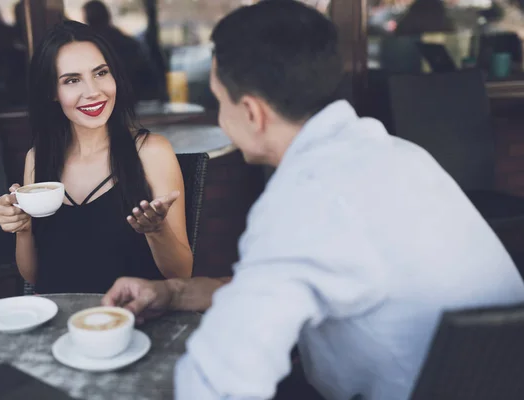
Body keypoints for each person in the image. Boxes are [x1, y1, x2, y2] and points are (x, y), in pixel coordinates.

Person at [102, 1, 524, 399]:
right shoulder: (397, 154)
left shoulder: (305, 201)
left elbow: (221, 383)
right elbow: (278, 282)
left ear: (252, 112)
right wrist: (175, 293)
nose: (219, 117)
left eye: (219, 101)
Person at [0, 21, 193, 294]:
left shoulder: (151, 152)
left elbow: (182, 272)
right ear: (52, 92)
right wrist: (23, 229)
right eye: (72, 80)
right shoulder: (37, 159)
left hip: (134, 321)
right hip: (63, 323)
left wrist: (157, 231)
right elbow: (36, 275)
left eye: (101, 73)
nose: (93, 91)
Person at [83, 0, 161, 102]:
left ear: (88, 19)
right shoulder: (124, 40)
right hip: (140, 97)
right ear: (107, 15)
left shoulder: (90, 46)